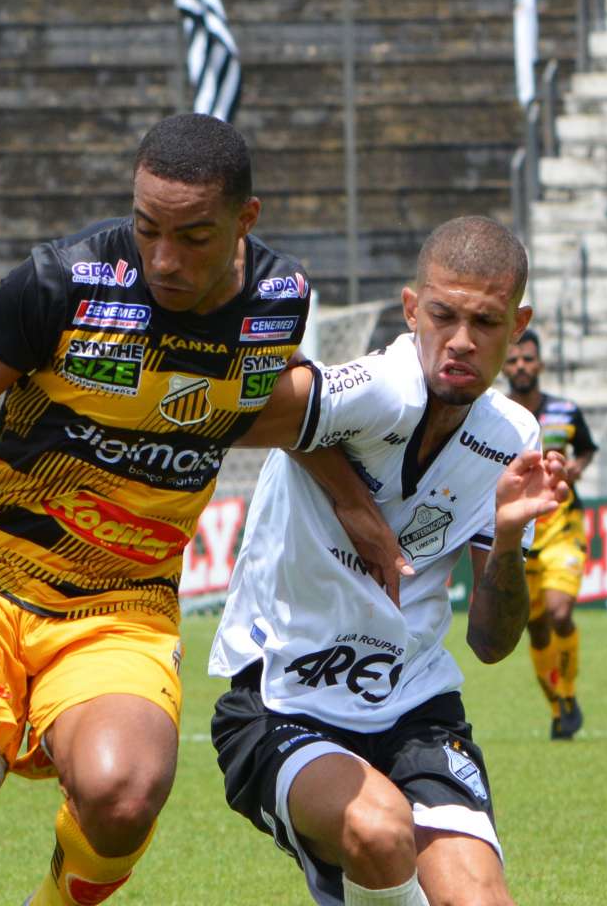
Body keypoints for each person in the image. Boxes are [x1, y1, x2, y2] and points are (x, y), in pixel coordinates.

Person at [0, 114, 397, 906]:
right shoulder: (64, 281)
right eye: (147, 229)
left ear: (246, 219)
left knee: (124, 792)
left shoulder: (280, 301)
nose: (165, 259)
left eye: (194, 236)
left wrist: (356, 504)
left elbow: (268, 402)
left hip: (122, 603)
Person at [209, 216, 568, 906]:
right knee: (378, 833)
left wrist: (509, 538)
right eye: (443, 315)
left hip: (417, 709)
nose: (461, 341)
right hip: (284, 698)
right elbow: (243, 408)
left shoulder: (513, 435)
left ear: (518, 324)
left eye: (486, 322)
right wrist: (353, 504)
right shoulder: (379, 387)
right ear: (411, 310)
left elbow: (491, 645)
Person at [502, 329, 596, 740]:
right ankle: (558, 706)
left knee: (560, 613)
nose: (521, 366)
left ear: (540, 364)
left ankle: (570, 694)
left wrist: (579, 466)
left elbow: (588, 447)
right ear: (504, 366)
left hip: (562, 527)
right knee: (536, 628)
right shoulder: (494, 414)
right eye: (514, 360)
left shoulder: (566, 410)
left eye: (528, 359)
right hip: (520, 535)